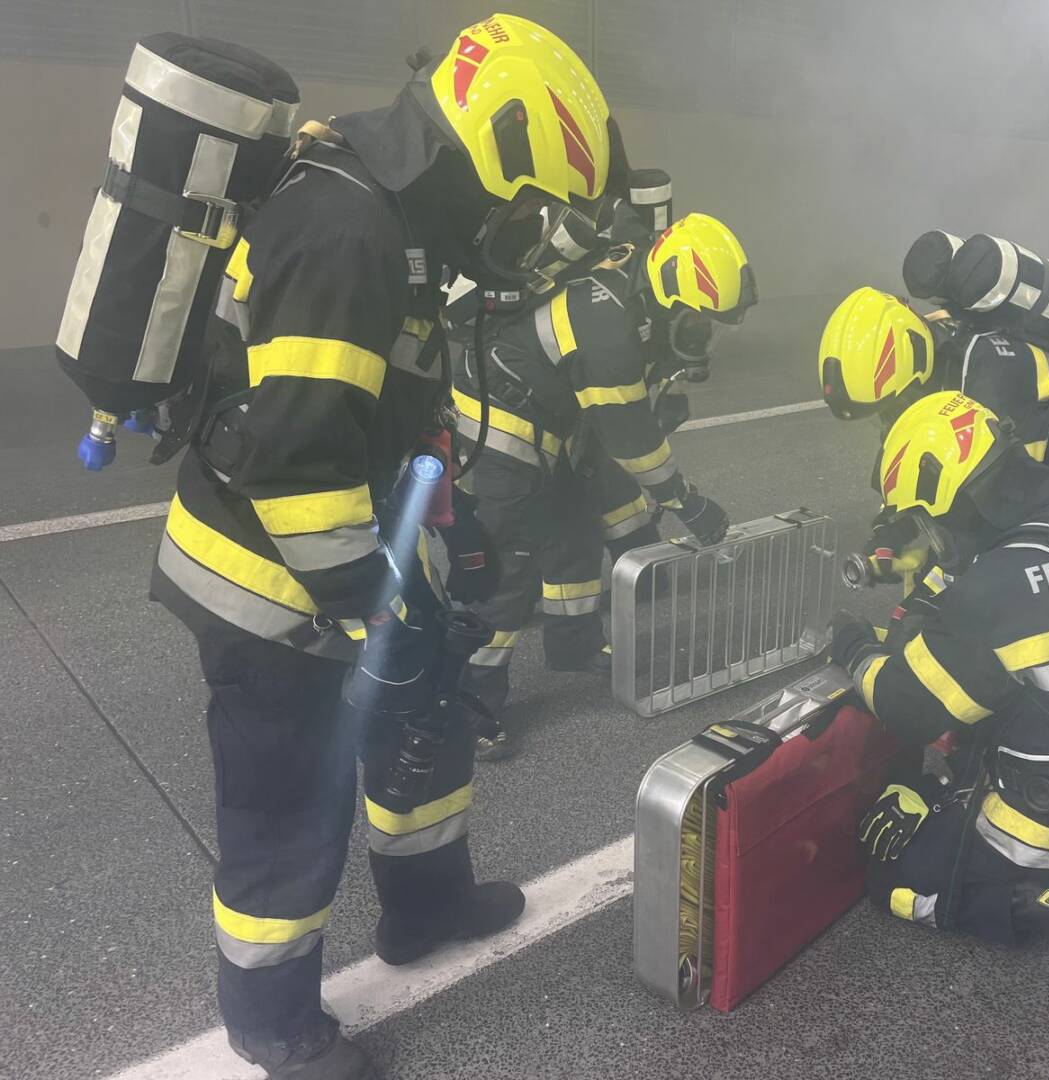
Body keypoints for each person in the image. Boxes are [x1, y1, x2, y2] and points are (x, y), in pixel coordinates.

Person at [148, 16, 611, 1077]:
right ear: (486, 150)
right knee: (287, 803)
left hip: (356, 563)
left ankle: (428, 906)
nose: (520, 233)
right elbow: (299, 460)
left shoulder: (385, 214)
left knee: (424, 733)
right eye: (526, 206)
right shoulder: (343, 227)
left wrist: (443, 554)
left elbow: (388, 409)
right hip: (268, 589)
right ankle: (273, 1024)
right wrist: (374, 608)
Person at [827, 390, 1049, 1024]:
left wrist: (855, 648)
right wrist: (940, 579)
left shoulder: (995, 589)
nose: (928, 539)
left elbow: (908, 705)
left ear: (950, 497)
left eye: (924, 522)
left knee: (893, 874)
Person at [450, 211, 757, 758]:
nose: (702, 336)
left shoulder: (635, 281)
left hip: (555, 416)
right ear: (671, 296)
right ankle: (472, 705)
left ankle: (574, 644)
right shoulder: (606, 327)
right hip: (503, 423)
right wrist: (687, 503)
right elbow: (632, 441)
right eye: (698, 322)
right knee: (510, 566)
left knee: (574, 530)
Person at [819, 286, 1049, 497]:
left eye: (889, 407)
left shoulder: (993, 374)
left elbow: (1016, 488)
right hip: (1017, 434)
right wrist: (894, 525)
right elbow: (908, 452)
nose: (889, 417)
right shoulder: (917, 369)